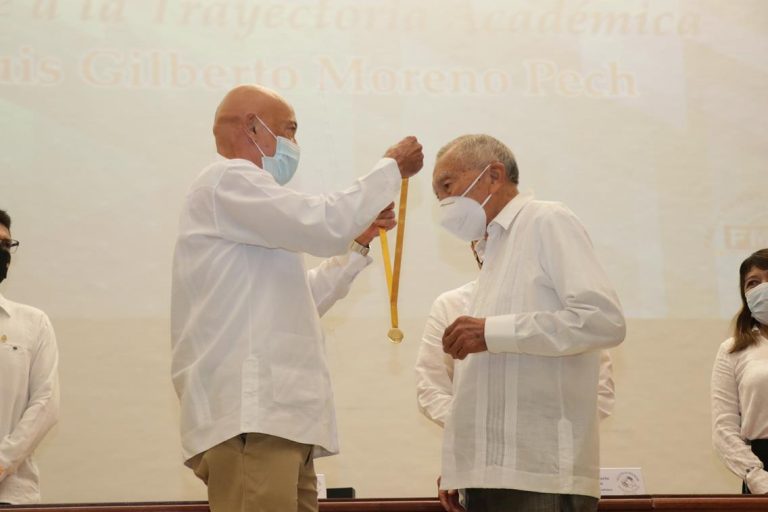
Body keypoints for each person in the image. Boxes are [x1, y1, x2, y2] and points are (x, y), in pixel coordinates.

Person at [170, 84, 423, 512]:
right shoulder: (227, 179)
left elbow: (302, 300)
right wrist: (389, 169)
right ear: (253, 127)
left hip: (280, 421)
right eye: (290, 131)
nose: (294, 145)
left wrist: (359, 245)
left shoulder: (249, 209)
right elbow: (320, 224)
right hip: (253, 416)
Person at [429, 134, 626, 512]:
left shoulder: (546, 220)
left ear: (494, 175)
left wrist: (491, 332)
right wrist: (462, 466)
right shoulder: (494, 249)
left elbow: (603, 320)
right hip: (489, 475)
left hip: (540, 471)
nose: (444, 204)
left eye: (448, 187)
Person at [416, 280, 616, 429]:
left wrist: (550, 435)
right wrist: (473, 434)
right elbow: (431, 388)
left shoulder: (572, 313)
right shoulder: (451, 304)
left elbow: (602, 393)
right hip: (476, 466)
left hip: (558, 465)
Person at [0, 209, 60, 505]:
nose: (2, 252)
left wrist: (1, 462)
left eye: (5, 244)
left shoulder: (33, 323)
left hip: (14, 494)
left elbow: (46, 403)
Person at [711, 248, 768, 495]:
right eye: (753, 283)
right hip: (762, 473)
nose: (763, 288)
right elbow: (724, 429)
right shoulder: (733, 350)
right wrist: (758, 479)